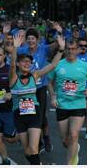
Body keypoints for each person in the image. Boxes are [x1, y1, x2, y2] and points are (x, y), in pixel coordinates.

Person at [10, 33, 65, 165]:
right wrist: (15, 48)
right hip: (19, 115)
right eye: (24, 61)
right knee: (27, 151)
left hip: (34, 114)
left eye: (29, 62)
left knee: (34, 148)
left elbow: (52, 65)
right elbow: (12, 65)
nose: (27, 64)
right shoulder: (13, 78)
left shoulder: (34, 76)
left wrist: (61, 49)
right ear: (18, 64)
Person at [48, 39, 87, 165]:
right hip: (62, 105)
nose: (71, 51)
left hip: (78, 104)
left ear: (78, 50)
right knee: (65, 140)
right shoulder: (58, 64)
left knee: (74, 135)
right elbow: (49, 82)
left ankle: (70, 164)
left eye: (73, 49)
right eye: (68, 49)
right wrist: (53, 96)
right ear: (65, 50)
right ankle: (75, 148)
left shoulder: (85, 66)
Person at [17, 22, 62, 153]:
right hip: (26, 89)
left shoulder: (44, 49)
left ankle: (46, 137)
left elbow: (58, 44)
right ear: (26, 41)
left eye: (33, 38)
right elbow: (11, 51)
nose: (31, 41)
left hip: (40, 87)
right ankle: (38, 141)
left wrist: (59, 32)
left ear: (37, 40)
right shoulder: (22, 50)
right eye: (29, 38)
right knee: (28, 114)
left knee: (41, 116)